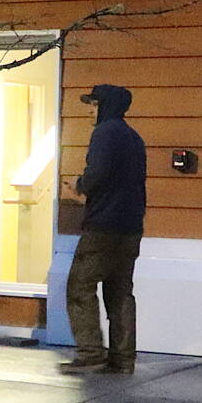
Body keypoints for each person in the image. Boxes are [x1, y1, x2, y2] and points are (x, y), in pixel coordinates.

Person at [63, 84, 147, 374]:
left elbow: (97, 174)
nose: (90, 110)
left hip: (102, 225)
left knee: (80, 285)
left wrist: (79, 185)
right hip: (131, 226)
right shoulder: (134, 138)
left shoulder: (104, 133)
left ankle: (90, 353)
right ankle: (123, 359)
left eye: (93, 104)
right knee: (121, 292)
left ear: (104, 106)